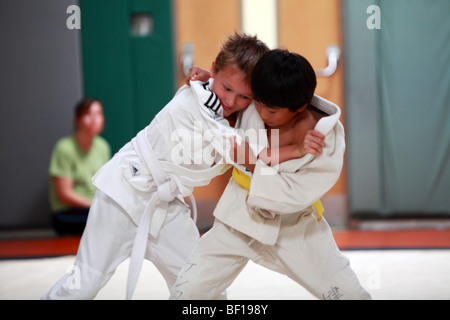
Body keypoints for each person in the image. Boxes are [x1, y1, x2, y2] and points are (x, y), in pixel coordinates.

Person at [42, 33, 314, 300]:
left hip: (166, 205)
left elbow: (243, 105)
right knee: (84, 284)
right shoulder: (200, 101)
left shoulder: (224, 99)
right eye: (227, 88)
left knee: (202, 287)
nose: (231, 102)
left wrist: (213, 79)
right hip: (124, 192)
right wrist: (296, 149)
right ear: (214, 70)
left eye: (244, 96)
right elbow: (247, 157)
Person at [170, 49, 372, 300]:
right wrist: (208, 83)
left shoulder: (326, 140)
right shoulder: (258, 99)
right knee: (188, 292)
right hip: (237, 217)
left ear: (299, 107)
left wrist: (253, 162)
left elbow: (294, 193)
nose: (262, 113)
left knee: (347, 294)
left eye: (272, 111)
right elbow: (226, 101)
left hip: (296, 227)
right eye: (257, 103)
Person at [49, 98, 110, 235]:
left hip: (95, 208)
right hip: (67, 213)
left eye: (98, 114)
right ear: (77, 120)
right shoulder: (64, 148)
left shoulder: (103, 146)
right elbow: (64, 195)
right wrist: (94, 205)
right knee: (106, 221)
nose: (94, 119)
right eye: (88, 114)